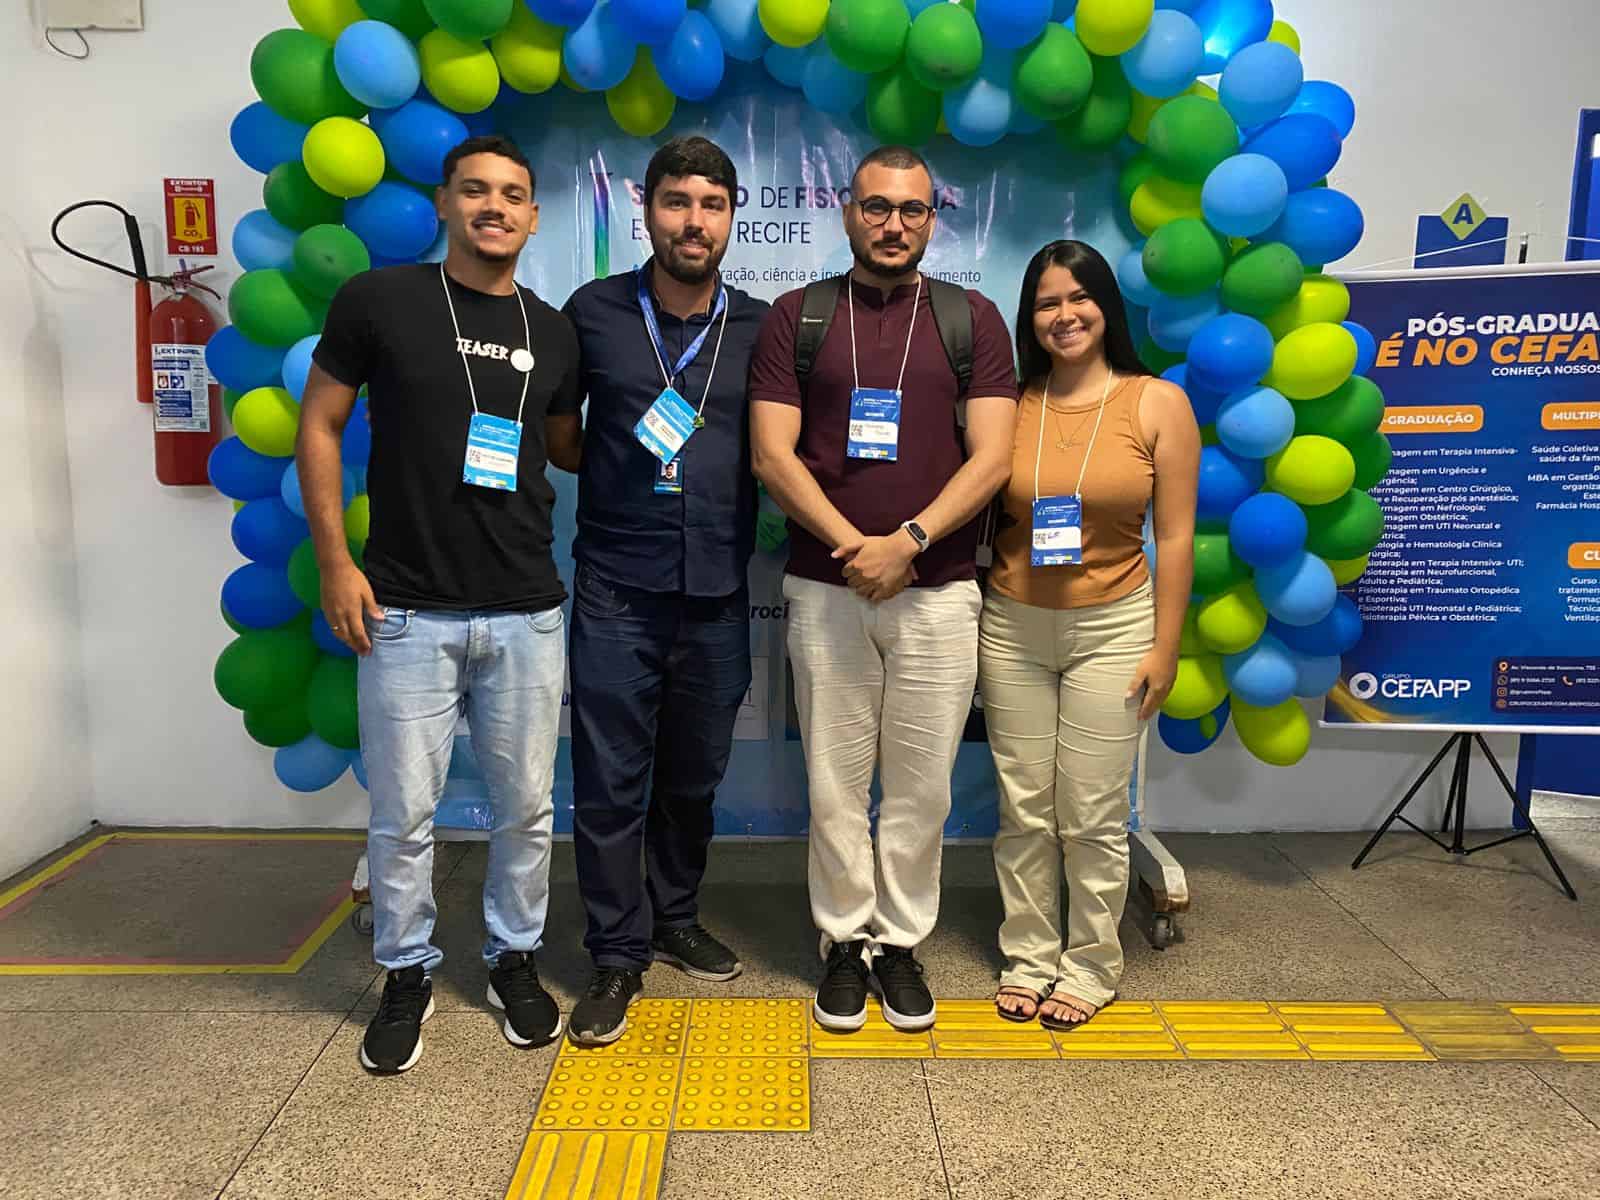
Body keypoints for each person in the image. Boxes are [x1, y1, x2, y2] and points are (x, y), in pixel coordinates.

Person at [298, 135, 579, 1073]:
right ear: (445, 204)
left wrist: (674, 431)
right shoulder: (379, 300)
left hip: (526, 608)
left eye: (513, 194)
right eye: (476, 190)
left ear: (534, 216)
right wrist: (335, 562)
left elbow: (565, 447)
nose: (495, 206)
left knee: (527, 807)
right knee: (403, 815)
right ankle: (406, 969)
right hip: (406, 610)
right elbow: (320, 423)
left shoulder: (555, 331)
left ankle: (513, 958)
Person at [749, 145, 1019, 1033]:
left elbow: (994, 457)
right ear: (848, 212)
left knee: (921, 786)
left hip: (938, 590)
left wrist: (907, 543)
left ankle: (899, 942)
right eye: (876, 207)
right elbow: (772, 455)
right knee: (833, 783)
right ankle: (843, 940)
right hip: (827, 588)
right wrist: (854, 548)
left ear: (932, 219)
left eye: (911, 210)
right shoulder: (799, 316)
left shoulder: (972, 319)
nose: (893, 225)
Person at [557, 137, 770, 1045]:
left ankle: (674, 917)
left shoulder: (760, 326)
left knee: (693, 777)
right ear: (647, 210)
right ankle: (616, 953)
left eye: (712, 204)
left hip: (717, 591)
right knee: (611, 782)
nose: (695, 221)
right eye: (678, 202)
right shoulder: (594, 312)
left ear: (731, 218)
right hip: (616, 587)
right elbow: (563, 435)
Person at [982, 240, 1199, 1031]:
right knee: (1024, 807)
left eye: (1080, 298)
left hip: (1115, 627)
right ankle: (1029, 957)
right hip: (1011, 626)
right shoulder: (1010, 401)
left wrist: (1165, 647)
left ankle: (1090, 965)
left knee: (1093, 809)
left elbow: (1175, 535)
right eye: (1047, 302)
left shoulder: (1156, 403)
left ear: (1106, 306)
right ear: (1029, 316)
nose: (1064, 315)